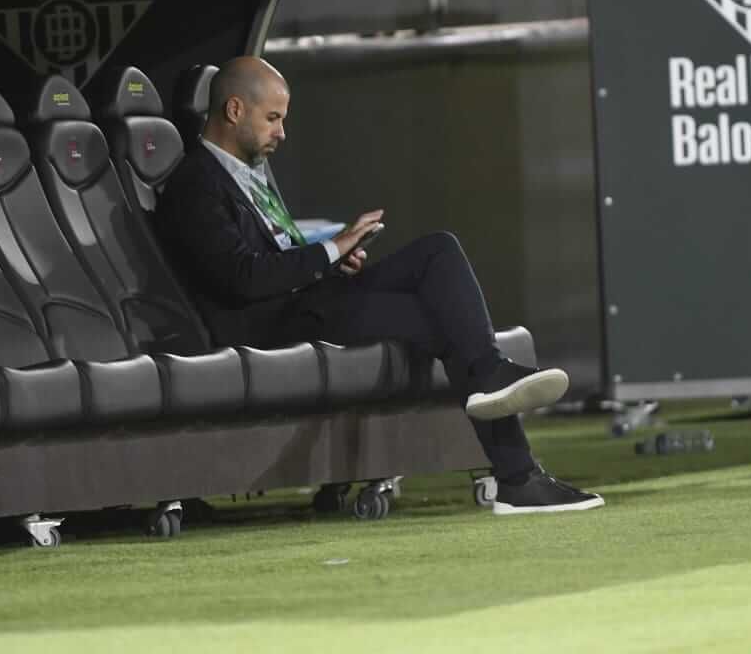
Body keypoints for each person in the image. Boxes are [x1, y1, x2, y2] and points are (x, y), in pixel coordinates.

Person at [157, 56, 604, 515]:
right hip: (269, 323)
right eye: (273, 119)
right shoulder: (195, 183)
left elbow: (275, 258)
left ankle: (497, 402)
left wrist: (332, 262)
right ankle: (517, 474)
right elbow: (241, 279)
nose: (282, 133)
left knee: (438, 251)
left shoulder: (249, 176)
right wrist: (330, 251)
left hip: (308, 302)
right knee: (439, 321)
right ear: (234, 110)